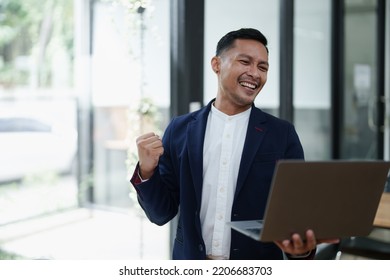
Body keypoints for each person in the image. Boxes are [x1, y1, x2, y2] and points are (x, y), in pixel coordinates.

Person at [130, 28, 339, 260]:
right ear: (216, 64)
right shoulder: (179, 129)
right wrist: (147, 171)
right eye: (245, 62)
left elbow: (296, 213)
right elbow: (161, 213)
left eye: (262, 67)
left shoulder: (282, 134)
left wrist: (302, 251)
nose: (255, 73)